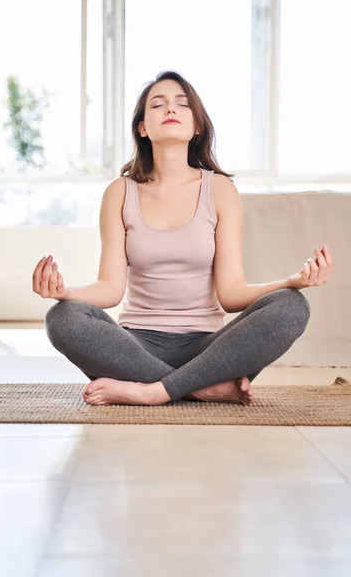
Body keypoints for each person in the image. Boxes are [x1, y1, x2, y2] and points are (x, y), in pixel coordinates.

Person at [32, 70, 333, 407]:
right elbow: (110, 288)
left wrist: (290, 282)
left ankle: (151, 391)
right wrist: (64, 292)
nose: (170, 110)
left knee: (292, 305)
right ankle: (199, 388)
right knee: (61, 318)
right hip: (136, 347)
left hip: (209, 350)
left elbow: (232, 295)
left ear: (197, 125)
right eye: (158, 104)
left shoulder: (220, 190)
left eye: (182, 104)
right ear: (143, 127)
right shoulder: (120, 192)